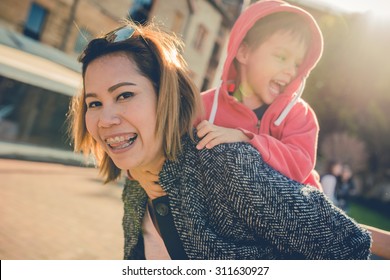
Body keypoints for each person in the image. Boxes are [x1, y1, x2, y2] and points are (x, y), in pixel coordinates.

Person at [69, 21, 372, 260]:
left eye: (125, 95)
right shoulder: (136, 185)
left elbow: (346, 245)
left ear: (166, 97)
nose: (105, 119)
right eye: (94, 103)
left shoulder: (225, 161)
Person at [197, 0, 323, 189]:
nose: (291, 71)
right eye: (281, 57)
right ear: (244, 52)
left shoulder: (299, 115)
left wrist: (246, 139)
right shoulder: (203, 106)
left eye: (297, 64)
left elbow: (299, 166)